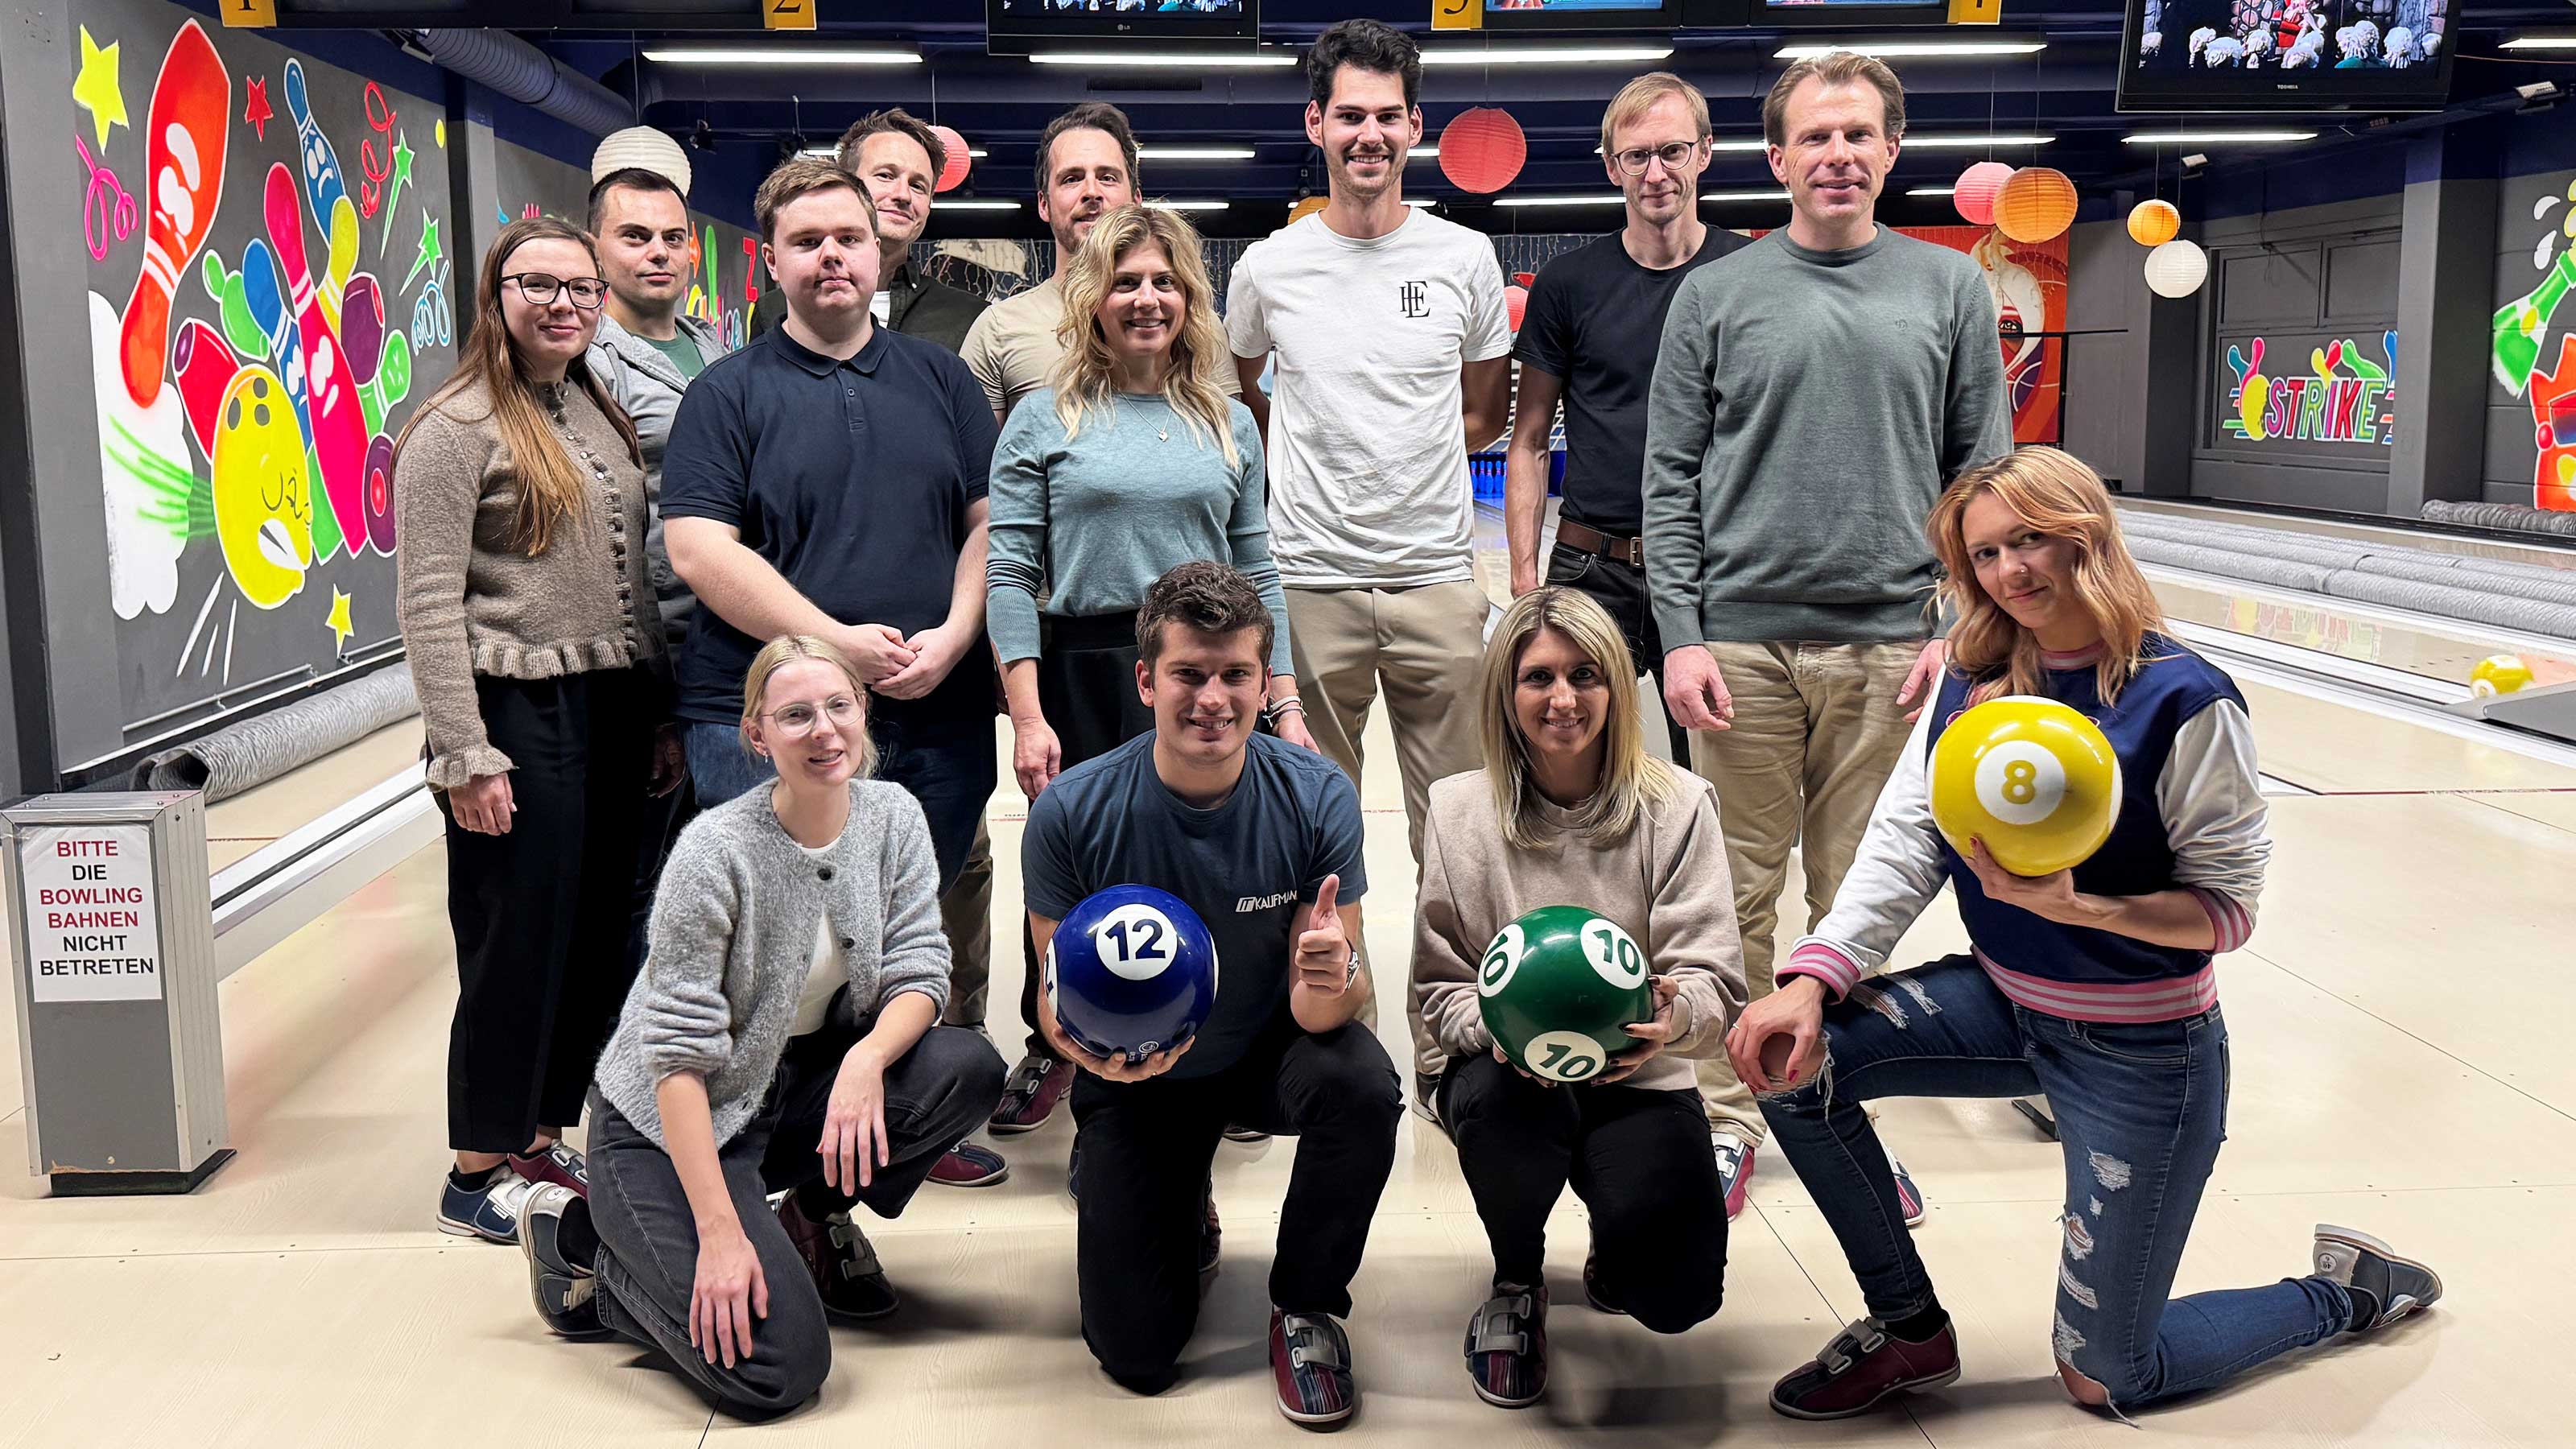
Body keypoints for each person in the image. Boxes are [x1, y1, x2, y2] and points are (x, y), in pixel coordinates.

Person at [1724, 448, 2442, 1421]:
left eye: (2029, 540)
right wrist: (1813, 979)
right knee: (1783, 1061)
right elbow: (1909, 835)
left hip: (2143, 1051)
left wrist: (2083, 908)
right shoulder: (1974, 679)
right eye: (1984, 554)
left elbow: (2226, 910)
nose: (2010, 571)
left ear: (2086, 535)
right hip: (2005, 1005)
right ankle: (1905, 1331)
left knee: (2107, 1377)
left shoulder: (2185, 699)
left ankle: (2349, 1291)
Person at [1641, 51, 2013, 1212]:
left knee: (1856, 905)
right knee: (1733, 898)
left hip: (1892, 652)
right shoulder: (1716, 294)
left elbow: (1986, 479)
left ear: (1891, 151)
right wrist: (1683, 634)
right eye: (1816, 136)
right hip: (1740, 647)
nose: (1838, 154)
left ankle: (1838, 1108)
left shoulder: (1947, 290)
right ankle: (1725, 1114)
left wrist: (1959, 628)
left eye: (1859, 135)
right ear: (1779, 158)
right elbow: (1671, 477)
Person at [516, 635, 1007, 1417]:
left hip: (789, 1092)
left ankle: (808, 1218)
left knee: (966, 1066)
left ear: (863, 713)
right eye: (795, 714)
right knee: (777, 1370)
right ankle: (589, 1253)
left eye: (838, 706)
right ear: (756, 735)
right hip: (663, 1126)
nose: (823, 730)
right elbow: (673, 1061)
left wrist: (864, 1063)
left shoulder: (891, 820)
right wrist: (716, 1232)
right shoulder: (716, 853)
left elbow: (920, 973)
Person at [1023, 563, 1400, 1428]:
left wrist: (1328, 978)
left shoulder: (1315, 796)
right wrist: (1094, 1059)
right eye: (1189, 673)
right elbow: (1052, 1000)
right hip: (1136, 1072)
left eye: (1235, 675)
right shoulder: (1073, 812)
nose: (1213, 698)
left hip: (1266, 1047)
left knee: (1362, 1085)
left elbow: (1328, 1005)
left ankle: (1306, 1303)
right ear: (1147, 679)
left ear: (1263, 683)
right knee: (1135, 1357)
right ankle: (1175, 1197)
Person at [1228, 17, 1513, 1116]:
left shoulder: (1462, 258)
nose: (1369, 133)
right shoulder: (1270, 266)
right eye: (1349, 113)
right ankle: (1333, 1047)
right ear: (1317, 124)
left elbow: (1484, 409)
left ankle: (1454, 1053)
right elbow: (1248, 392)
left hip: (1440, 581)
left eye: (1389, 115)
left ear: (1416, 127)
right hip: (1308, 585)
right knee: (1314, 835)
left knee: (1458, 837)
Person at [984, 205, 1318, 1142]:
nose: (1145, 299)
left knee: (1205, 869)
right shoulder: (1043, 415)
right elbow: (1009, 572)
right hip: (1088, 669)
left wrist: (1282, 699)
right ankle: (1074, 1056)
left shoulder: (1222, 419)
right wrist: (1026, 714)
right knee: (1084, 877)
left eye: (1163, 282)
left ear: (1188, 298)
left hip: (1204, 669)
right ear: (1093, 297)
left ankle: (1213, 1056)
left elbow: (1256, 570)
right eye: (1126, 282)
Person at [393, 216, 669, 1241]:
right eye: (537, 284)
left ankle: (542, 1135)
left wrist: (658, 713)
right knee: (514, 937)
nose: (563, 303)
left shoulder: (595, 408)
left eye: (581, 287)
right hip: (514, 708)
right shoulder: (456, 426)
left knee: (595, 936)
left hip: (610, 702)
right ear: (494, 296)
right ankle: (474, 1168)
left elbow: (631, 576)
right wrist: (464, 750)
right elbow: (426, 601)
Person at [1413, 588, 1743, 1410]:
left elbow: (1714, 982)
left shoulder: (1677, 804)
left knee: (1673, 1298)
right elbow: (1437, 987)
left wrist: (1669, 1019)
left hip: (1638, 1075)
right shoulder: (1457, 809)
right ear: (1506, 692)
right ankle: (1517, 1279)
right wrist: (1493, 1033)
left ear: (1616, 690)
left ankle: (1617, 1234)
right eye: (1538, 678)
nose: (1562, 699)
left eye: (1585, 675)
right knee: (1497, 1107)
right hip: (1503, 1079)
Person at [660, 158, 998, 907]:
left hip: (938, 706)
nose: (832, 255)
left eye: (850, 236)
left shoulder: (944, 379)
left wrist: (953, 636)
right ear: (772, 261)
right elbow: (698, 549)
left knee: (906, 929)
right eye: (808, 240)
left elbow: (988, 521)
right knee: (780, 943)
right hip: (770, 718)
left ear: (878, 253)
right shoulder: (726, 394)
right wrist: (833, 647)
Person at [830, 105, 1009, 1191]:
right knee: (839, 863)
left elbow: (985, 491)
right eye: (877, 178)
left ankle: (945, 1079)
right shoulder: (792, 304)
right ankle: (839, 1077)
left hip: (945, 634)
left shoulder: (961, 316)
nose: (896, 196)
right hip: (829, 646)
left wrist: (956, 630)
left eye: (913, 182)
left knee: (959, 858)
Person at [1505, 73, 1741, 770]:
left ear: (1704, 152)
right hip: (1590, 565)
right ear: (1612, 167)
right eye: (1636, 156)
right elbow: (1528, 440)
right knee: (1569, 767)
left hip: (1714, 566)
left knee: (1710, 776)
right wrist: (1526, 579)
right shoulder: (1568, 284)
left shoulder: (1750, 273)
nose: (1656, 172)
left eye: (1672, 151)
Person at [584, 160, 725, 975]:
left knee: (708, 870)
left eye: (674, 237)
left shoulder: (713, 346)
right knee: (639, 881)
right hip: (644, 648)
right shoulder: (588, 362)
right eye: (634, 237)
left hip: (719, 643)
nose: (658, 254)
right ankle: (632, 1070)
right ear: (596, 247)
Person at [837, 107, 991, 353]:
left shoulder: (971, 320)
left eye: (918, 186)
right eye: (886, 175)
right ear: (845, 185)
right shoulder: (781, 311)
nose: (903, 195)